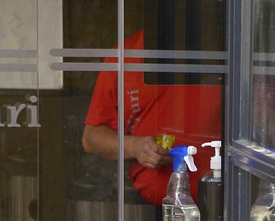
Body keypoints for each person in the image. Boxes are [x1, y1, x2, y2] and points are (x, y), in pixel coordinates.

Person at [81, 29, 220, 205]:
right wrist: (136, 147)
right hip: (157, 209)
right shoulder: (124, 57)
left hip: (226, 202)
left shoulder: (219, 50)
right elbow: (91, 138)